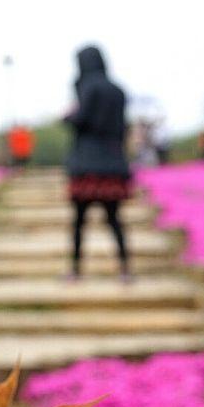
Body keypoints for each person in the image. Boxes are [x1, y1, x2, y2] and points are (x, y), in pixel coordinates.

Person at [64, 44, 130, 280]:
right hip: (113, 163)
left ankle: (75, 270)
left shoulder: (86, 87)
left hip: (87, 164)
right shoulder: (118, 90)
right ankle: (125, 269)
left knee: (79, 221)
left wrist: (67, 116)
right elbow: (123, 128)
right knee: (114, 219)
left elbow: (81, 119)